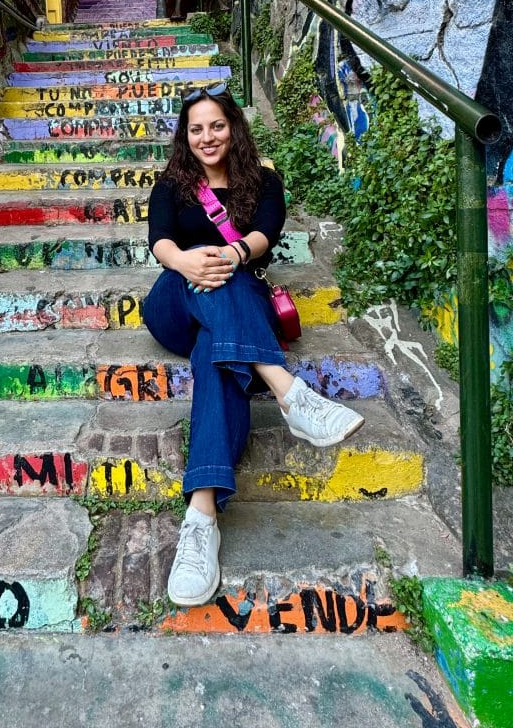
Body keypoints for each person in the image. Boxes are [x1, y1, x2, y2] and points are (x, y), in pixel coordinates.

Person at [142, 83, 364, 608]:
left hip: (234, 302)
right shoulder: (171, 184)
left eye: (216, 125)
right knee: (204, 264)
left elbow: (267, 231)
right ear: (185, 136)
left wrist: (235, 253)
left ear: (233, 126)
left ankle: (201, 519)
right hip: (174, 299)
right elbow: (159, 239)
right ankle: (290, 393)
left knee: (215, 352)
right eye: (196, 128)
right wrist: (187, 260)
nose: (206, 136)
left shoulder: (262, 181)